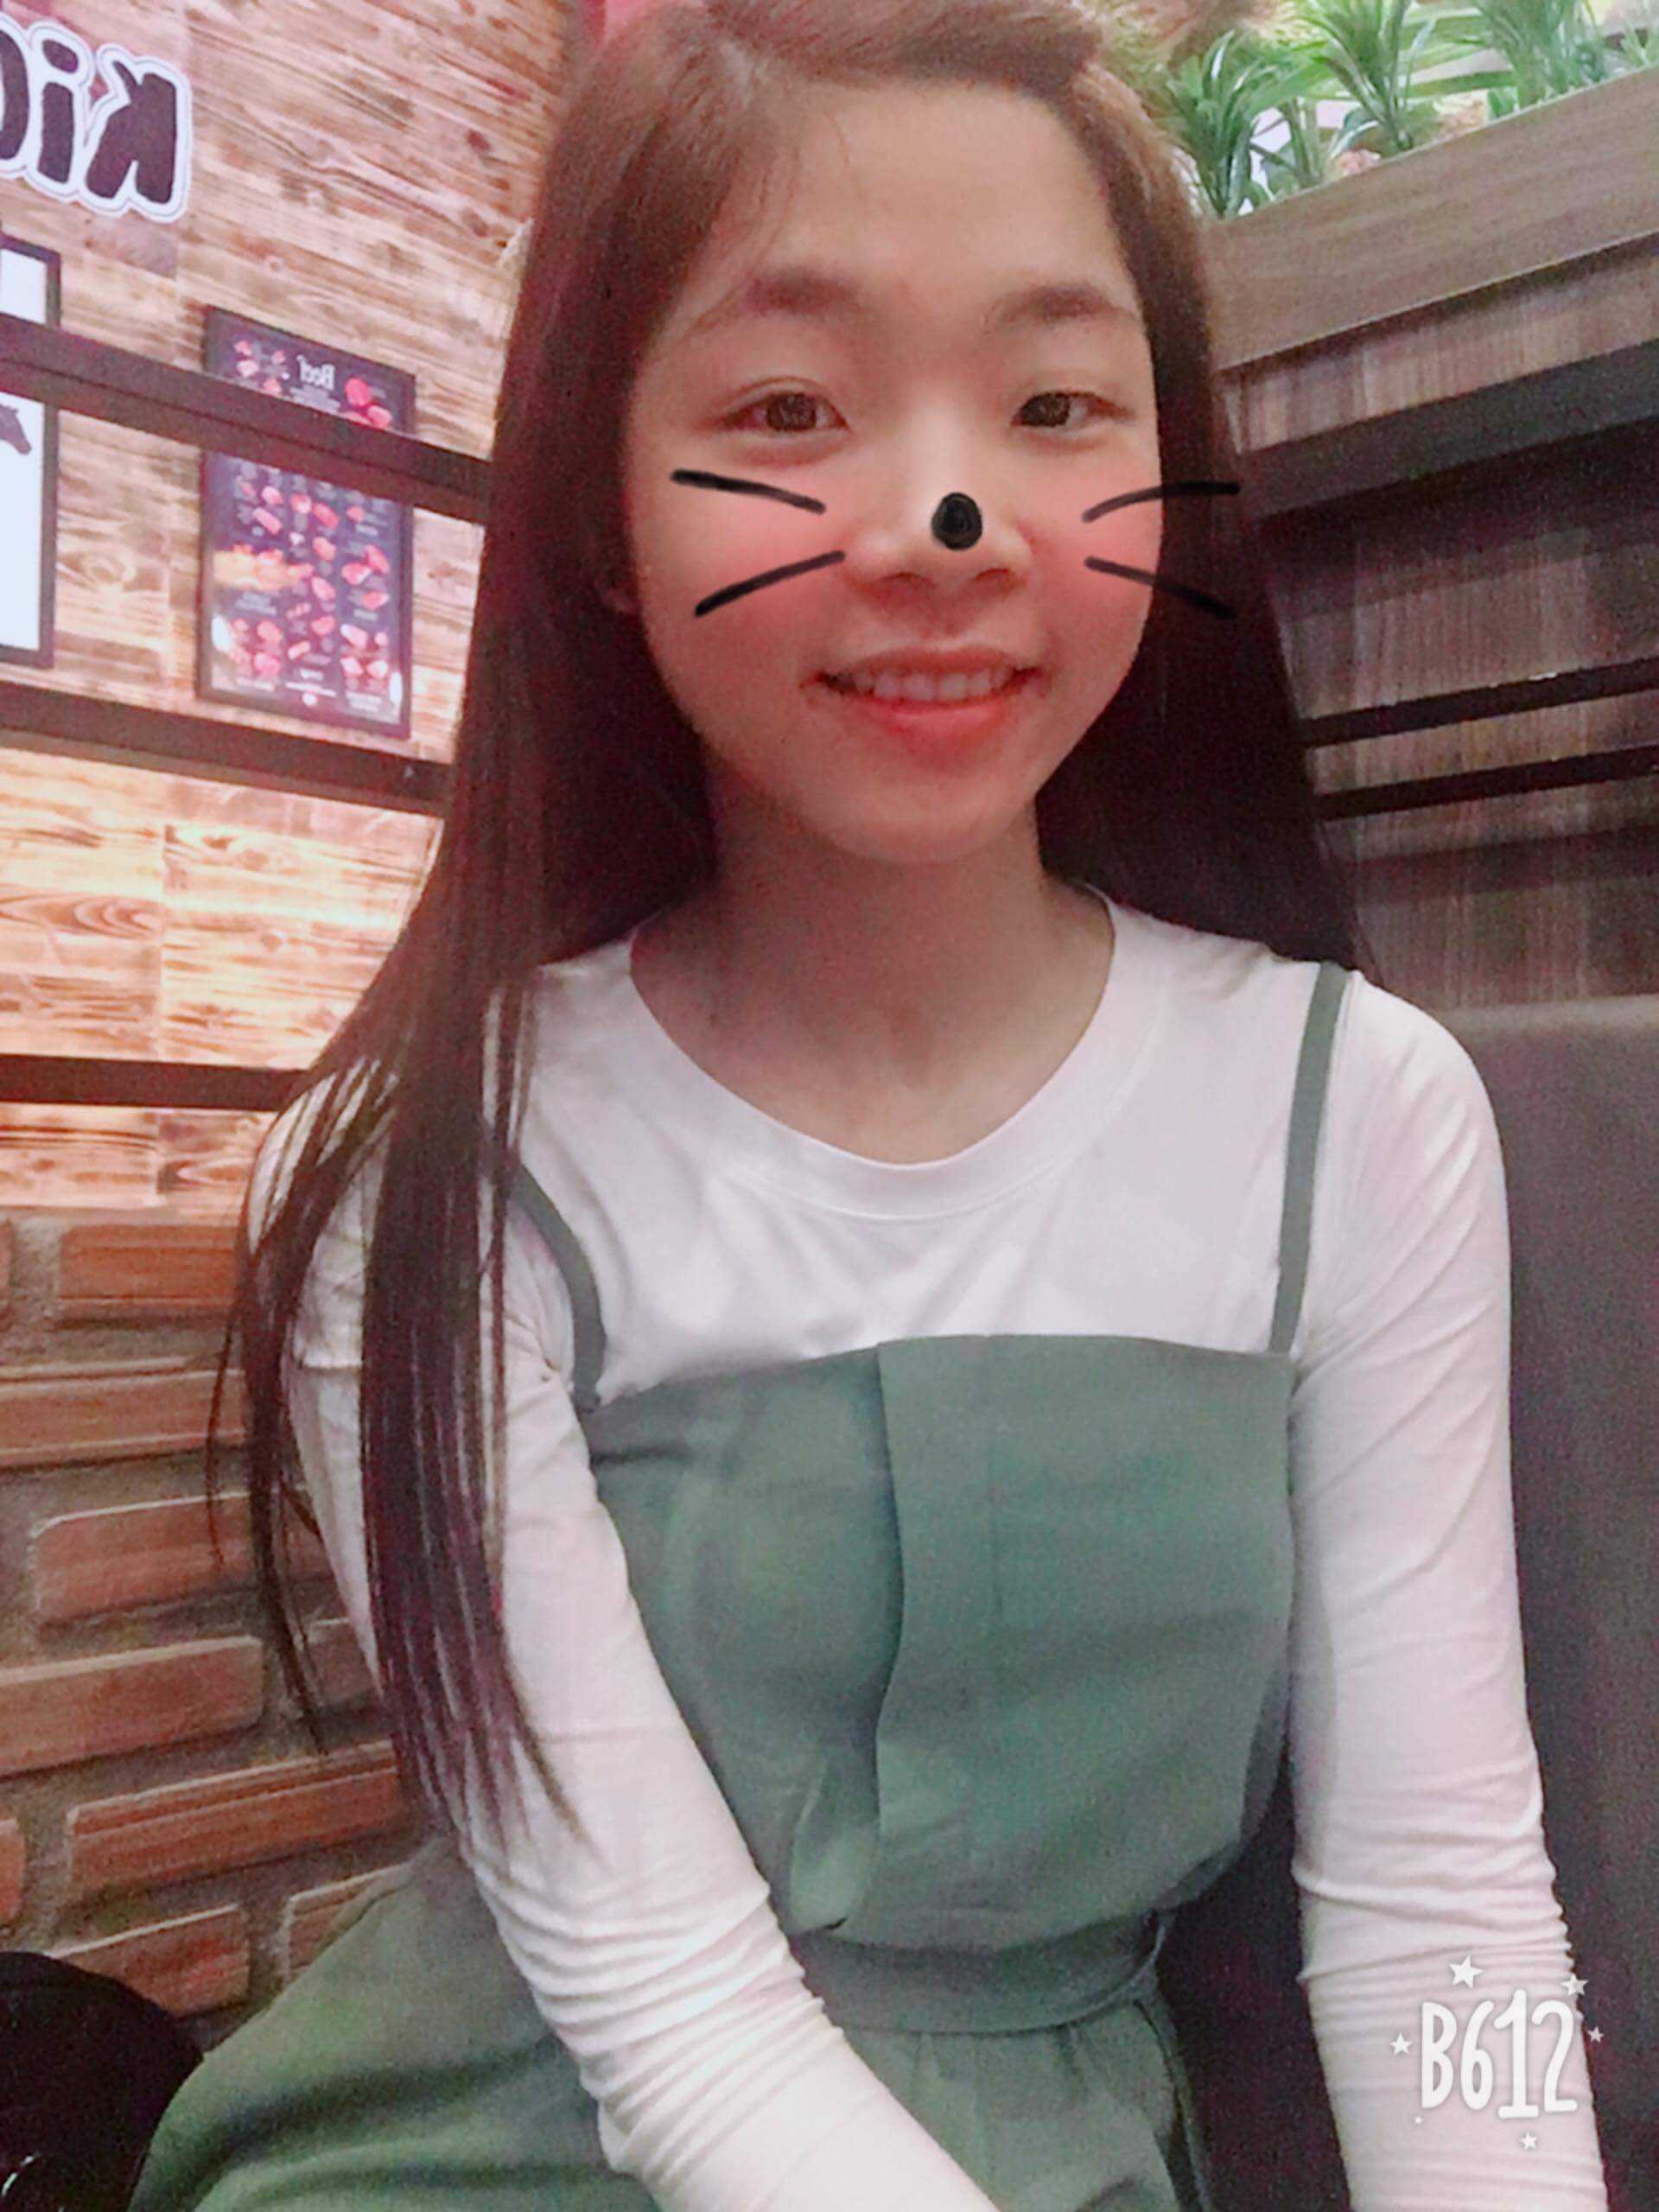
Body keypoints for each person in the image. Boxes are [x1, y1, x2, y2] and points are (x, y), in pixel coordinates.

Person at [130, 2, 1610, 2207]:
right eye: (789, 406)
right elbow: (670, 2006)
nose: (945, 521)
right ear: (603, 513)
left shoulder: (1360, 1112)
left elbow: (1446, 1908)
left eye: (1054, 403)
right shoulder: (423, 1167)